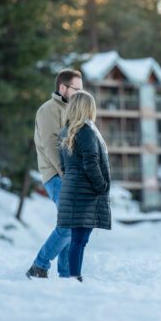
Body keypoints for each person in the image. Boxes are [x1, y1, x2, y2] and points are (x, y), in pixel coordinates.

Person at [26, 69, 83, 280]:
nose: (80, 94)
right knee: (69, 223)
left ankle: (67, 274)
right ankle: (39, 266)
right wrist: (68, 174)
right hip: (56, 175)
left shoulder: (71, 111)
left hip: (70, 175)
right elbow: (51, 146)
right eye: (77, 89)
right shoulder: (48, 110)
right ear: (63, 88)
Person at [57, 91, 112, 282]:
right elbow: (91, 162)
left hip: (71, 189)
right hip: (85, 192)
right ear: (87, 108)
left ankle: (73, 276)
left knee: (77, 239)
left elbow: (63, 165)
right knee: (80, 240)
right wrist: (102, 185)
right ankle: (74, 277)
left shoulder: (65, 132)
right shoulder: (87, 131)